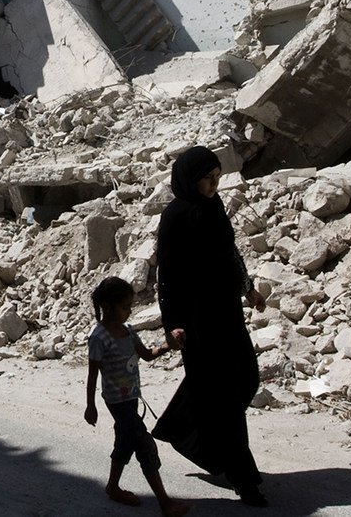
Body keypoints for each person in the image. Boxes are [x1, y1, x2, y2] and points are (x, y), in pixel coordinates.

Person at [151, 146, 269, 507]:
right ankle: (243, 477)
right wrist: (172, 324)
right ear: (190, 179)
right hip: (197, 322)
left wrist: (247, 288)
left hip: (227, 313)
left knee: (246, 379)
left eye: (218, 178)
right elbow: (167, 276)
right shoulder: (175, 217)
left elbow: (231, 252)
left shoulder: (214, 207)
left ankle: (185, 430)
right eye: (208, 179)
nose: (214, 186)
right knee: (223, 400)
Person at [85, 276, 190, 516]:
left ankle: (112, 487)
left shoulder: (128, 331)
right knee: (144, 446)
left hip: (131, 398)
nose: (129, 311)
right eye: (125, 307)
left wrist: (167, 345)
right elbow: (92, 375)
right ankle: (165, 503)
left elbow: (146, 354)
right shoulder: (99, 337)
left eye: (130, 306)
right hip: (116, 402)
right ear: (109, 307)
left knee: (124, 442)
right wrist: (90, 406)